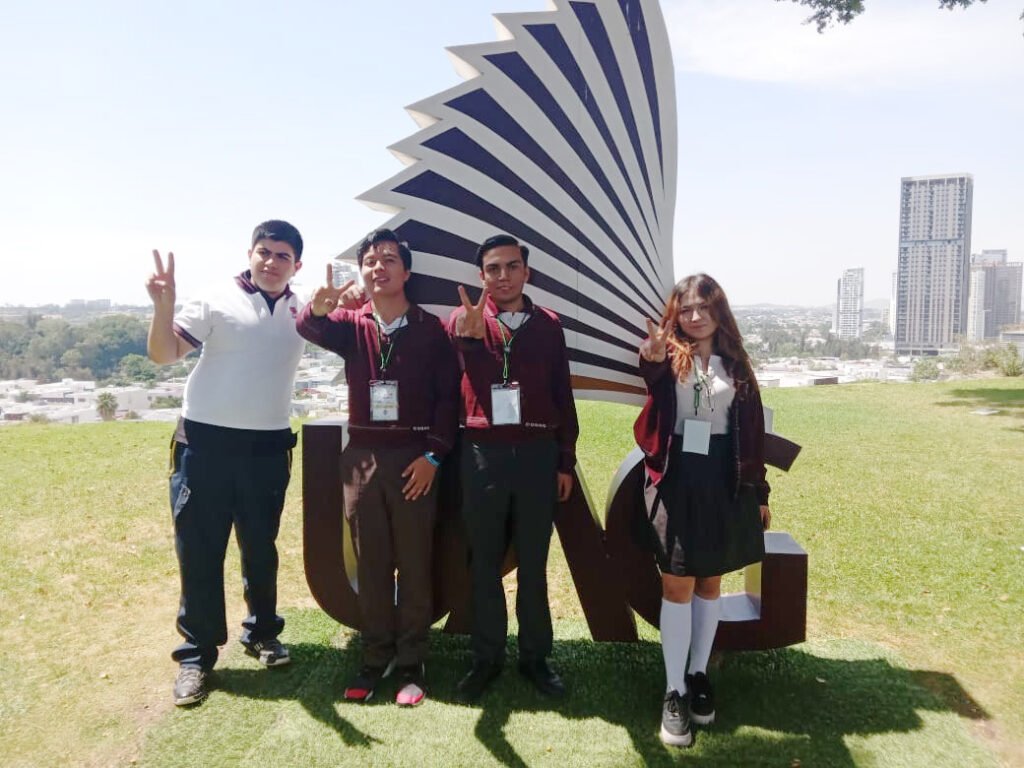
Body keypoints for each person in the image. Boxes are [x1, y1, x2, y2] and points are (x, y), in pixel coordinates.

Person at [146, 219, 307, 707]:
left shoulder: (303, 308)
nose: (271, 262)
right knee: (200, 550)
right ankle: (196, 656)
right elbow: (163, 354)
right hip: (205, 444)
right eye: (264, 251)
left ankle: (262, 632)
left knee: (260, 547)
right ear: (250, 253)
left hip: (268, 447)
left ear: (296, 264)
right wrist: (163, 307)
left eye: (282, 255)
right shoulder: (216, 299)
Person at [296, 229, 458, 707]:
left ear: (406, 271)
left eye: (388, 259)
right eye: (369, 260)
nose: (378, 267)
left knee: (414, 563)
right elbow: (310, 328)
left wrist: (434, 457)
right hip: (363, 460)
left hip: (414, 461)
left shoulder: (432, 328)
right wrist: (318, 308)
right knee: (371, 564)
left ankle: (411, 662)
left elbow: (448, 399)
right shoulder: (352, 323)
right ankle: (375, 657)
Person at [633, 273, 771, 747]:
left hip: (723, 478)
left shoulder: (737, 364)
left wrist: (760, 493)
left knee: (710, 581)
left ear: (719, 310)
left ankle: (698, 675)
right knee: (677, 582)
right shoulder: (667, 355)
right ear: (676, 314)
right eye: (686, 309)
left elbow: (752, 432)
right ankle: (673, 690)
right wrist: (651, 355)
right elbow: (651, 373)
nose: (694, 317)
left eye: (703, 307)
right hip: (677, 477)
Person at [448, 234, 579, 702]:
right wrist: (467, 338)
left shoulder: (548, 325)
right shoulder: (465, 321)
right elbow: (460, 363)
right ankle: (486, 658)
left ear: (527, 271)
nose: (502, 276)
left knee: (533, 563)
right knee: (484, 563)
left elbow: (562, 393)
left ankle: (535, 658)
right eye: (493, 269)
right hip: (483, 454)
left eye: (511, 266)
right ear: (481, 276)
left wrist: (565, 460)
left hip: (538, 454)